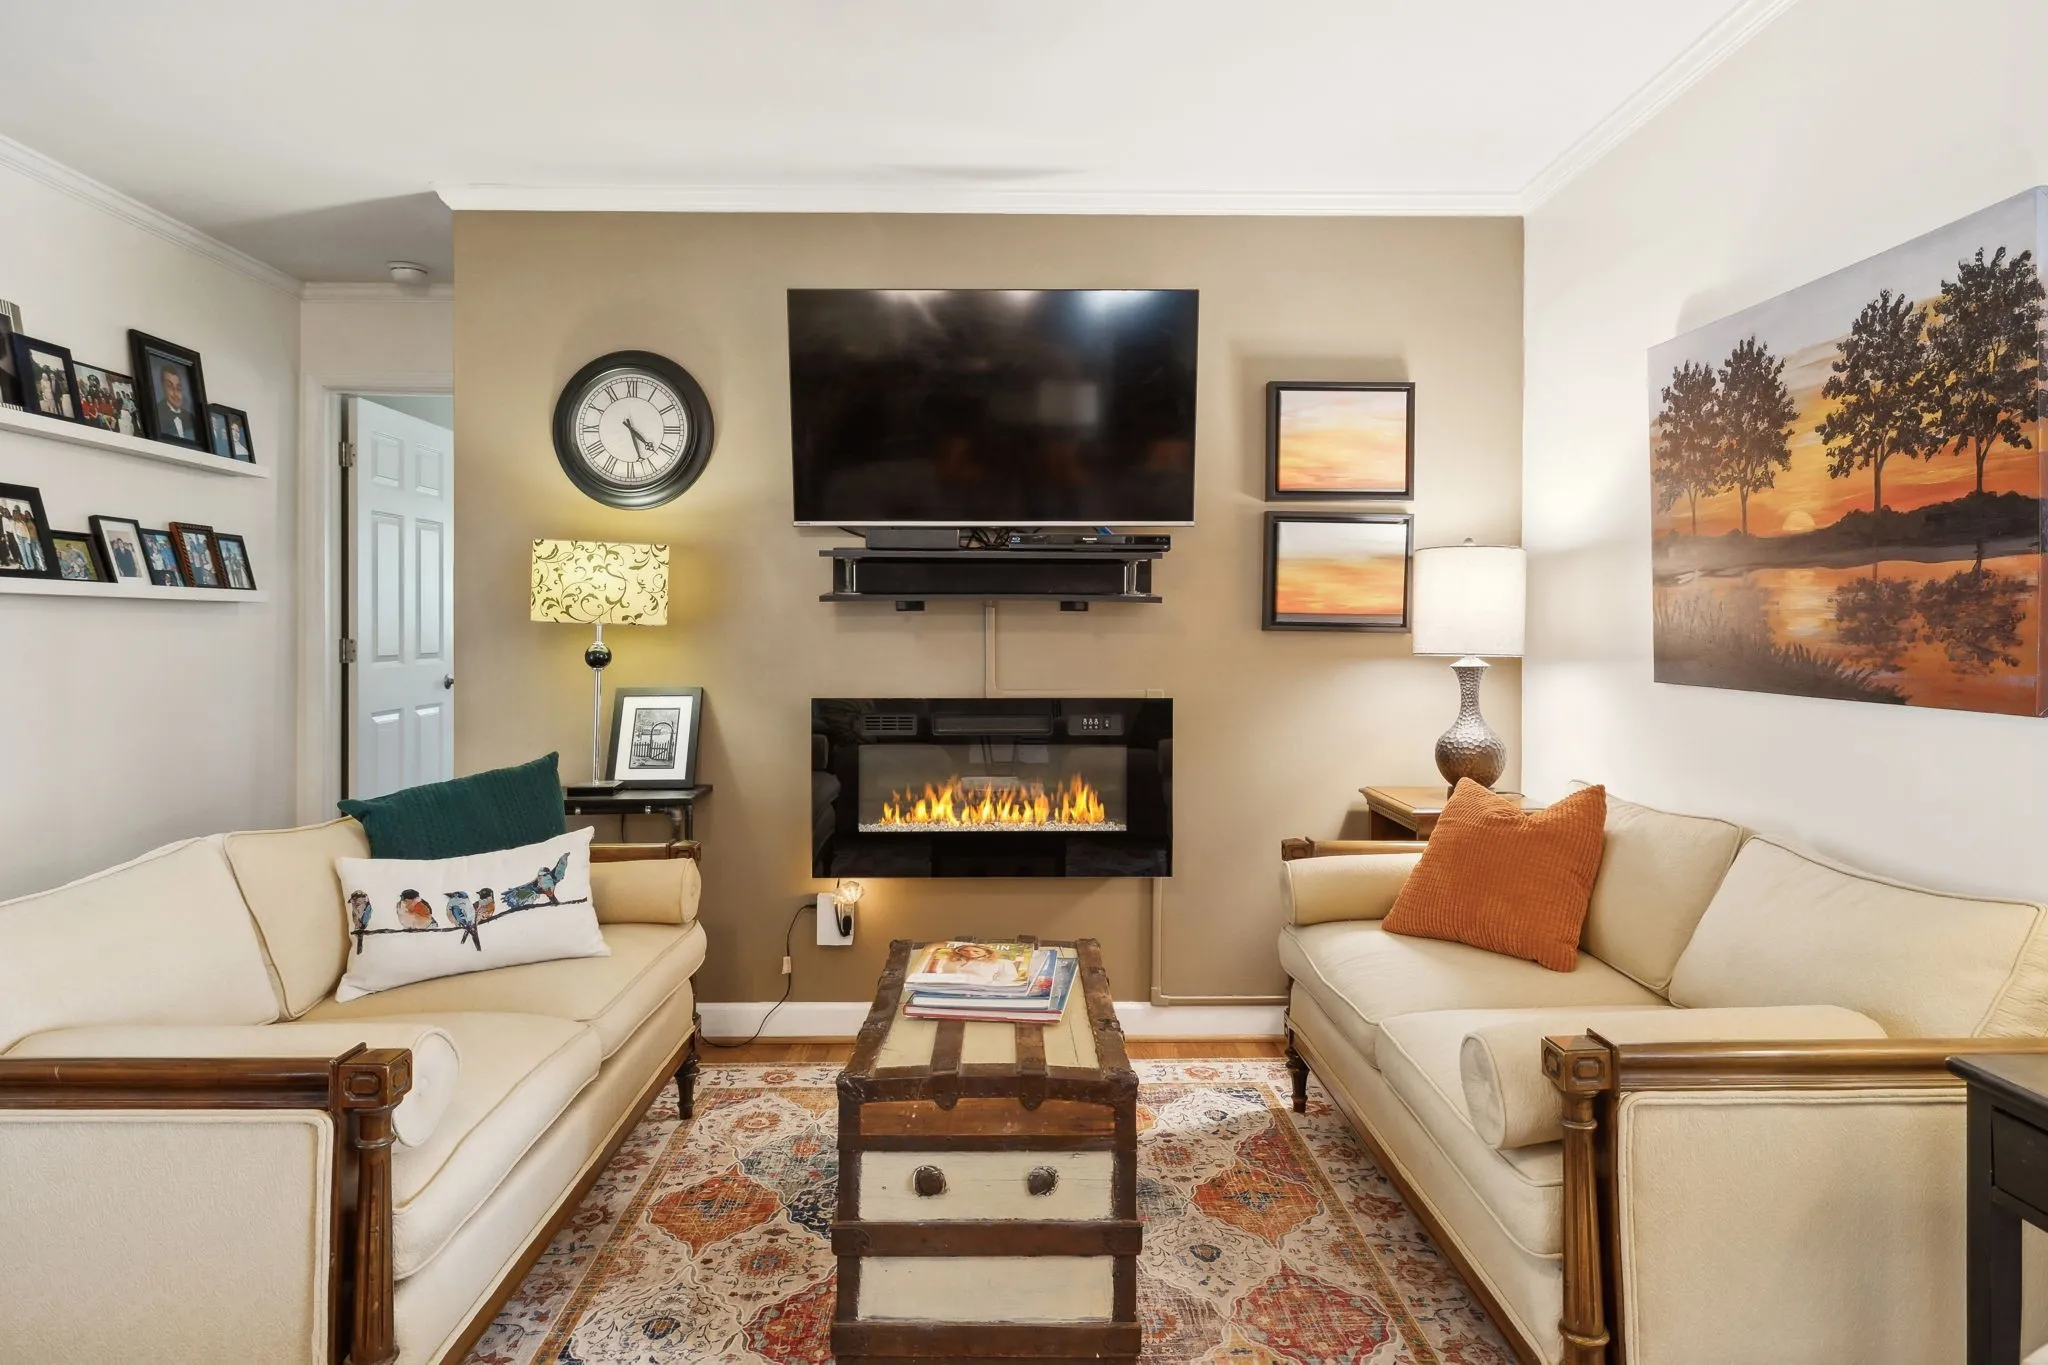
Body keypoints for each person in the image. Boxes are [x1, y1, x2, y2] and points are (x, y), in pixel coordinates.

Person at [155, 365, 196, 441]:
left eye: (178, 388)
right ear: (163, 388)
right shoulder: (156, 413)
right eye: (170, 386)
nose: (175, 393)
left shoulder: (191, 418)